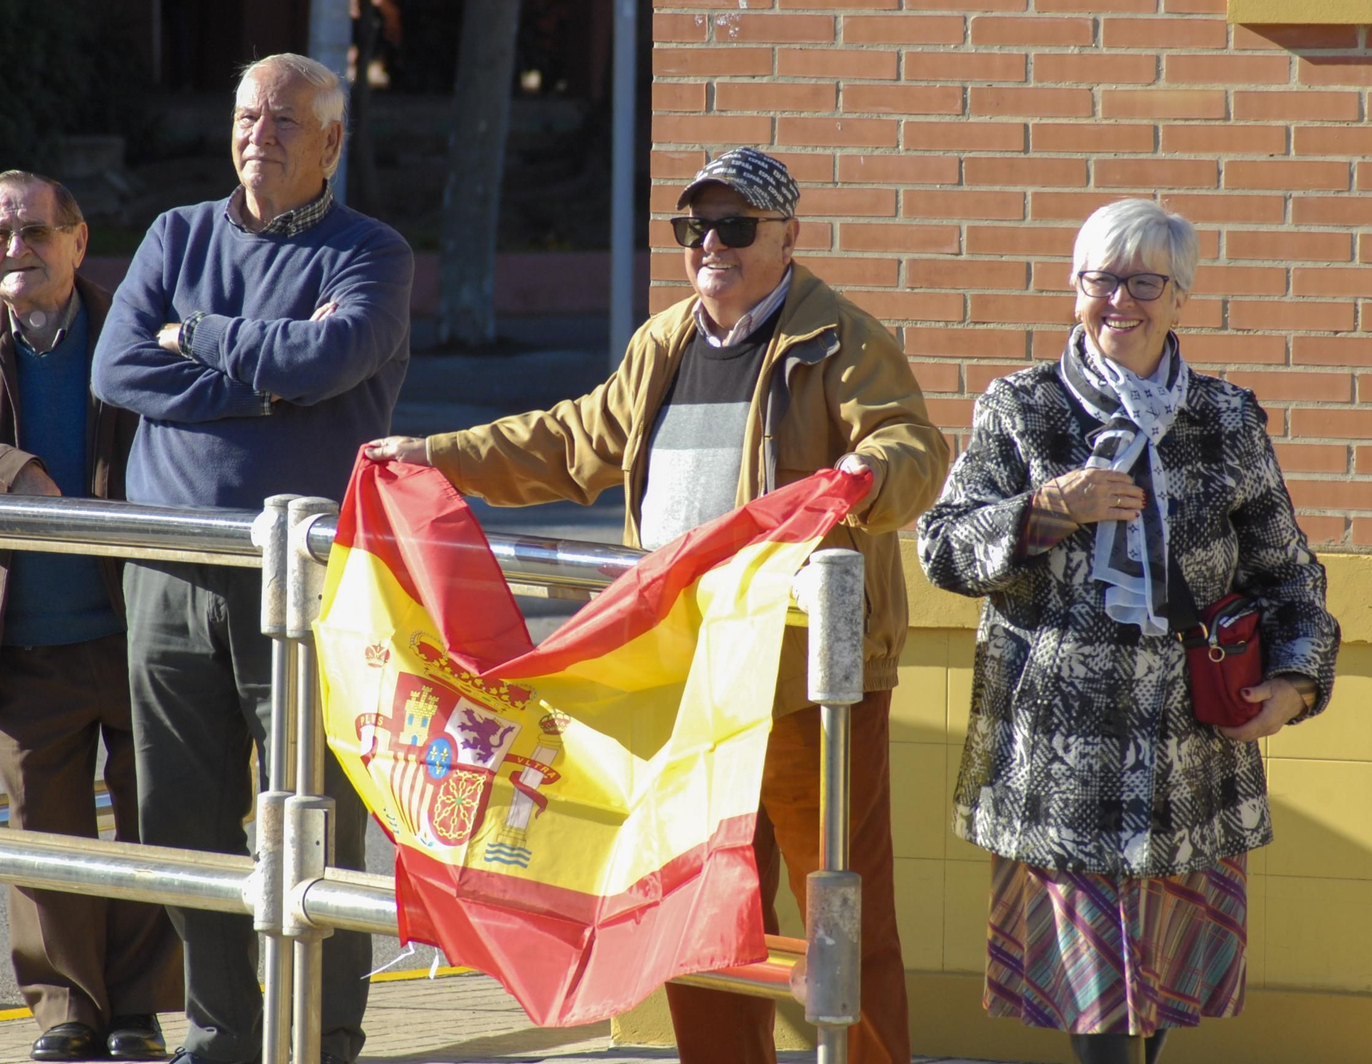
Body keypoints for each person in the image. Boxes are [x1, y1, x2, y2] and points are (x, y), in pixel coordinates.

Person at [365, 146, 947, 1064]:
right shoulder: (663, 341)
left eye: (736, 225)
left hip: (806, 683)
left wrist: (867, 477)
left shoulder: (840, 339)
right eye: (695, 226)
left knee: (845, 911)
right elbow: (572, 441)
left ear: (789, 236)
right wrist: (437, 456)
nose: (711, 243)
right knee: (697, 909)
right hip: (685, 687)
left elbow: (913, 443)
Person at [916, 198, 1340, 1064]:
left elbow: (1287, 574)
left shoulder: (1223, 420)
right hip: (1061, 755)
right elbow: (944, 551)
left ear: (1180, 298)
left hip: (1189, 754)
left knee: (1152, 1003)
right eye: (1101, 279)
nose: (1122, 300)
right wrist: (1044, 509)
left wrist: (1296, 681)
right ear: (1075, 289)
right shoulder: (1024, 409)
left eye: (1145, 281)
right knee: (1097, 1009)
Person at [91, 53, 413, 1064]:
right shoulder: (175, 233)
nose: (257, 134)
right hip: (171, 568)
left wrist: (201, 336)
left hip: (308, 579)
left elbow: (333, 359)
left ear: (331, 143)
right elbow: (117, 366)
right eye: (245, 116)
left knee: (314, 814)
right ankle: (224, 1033)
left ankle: (320, 1034)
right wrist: (264, 380)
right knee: (183, 814)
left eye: (282, 121)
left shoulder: (372, 251)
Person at [0, 171, 182, 1062]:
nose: (14, 250)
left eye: (33, 233)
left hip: (136, 626)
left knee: (151, 823)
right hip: (24, 642)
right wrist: (0, 466)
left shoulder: (132, 328)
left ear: (77, 241)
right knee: (45, 836)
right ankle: (66, 1010)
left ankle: (135, 1011)